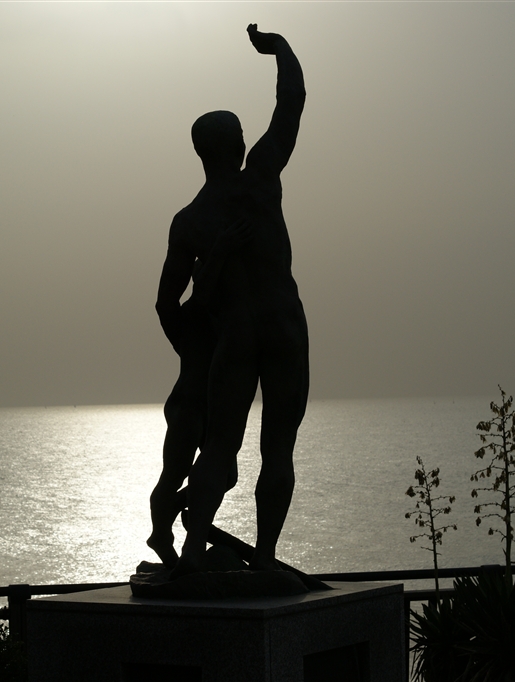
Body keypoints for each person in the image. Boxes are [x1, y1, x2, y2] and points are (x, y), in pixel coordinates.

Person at [155, 24, 308, 577]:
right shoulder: (260, 177)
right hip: (283, 327)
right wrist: (279, 47)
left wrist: (193, 349)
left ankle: (193, 549)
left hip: (236, 337)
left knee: (221, 446)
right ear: (238, 145)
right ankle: (264, 558)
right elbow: (291, 103)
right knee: (278, 449)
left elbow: (166, 305)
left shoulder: (189, 221)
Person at [147, 218, 252, 569]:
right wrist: (219, 250)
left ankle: (175, 509)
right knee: (174, 473)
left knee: (227, 475)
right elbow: (186, 299)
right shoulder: (194, 313)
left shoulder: (223, 317)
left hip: (212, 409)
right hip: (188, 406)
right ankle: (161, 534)